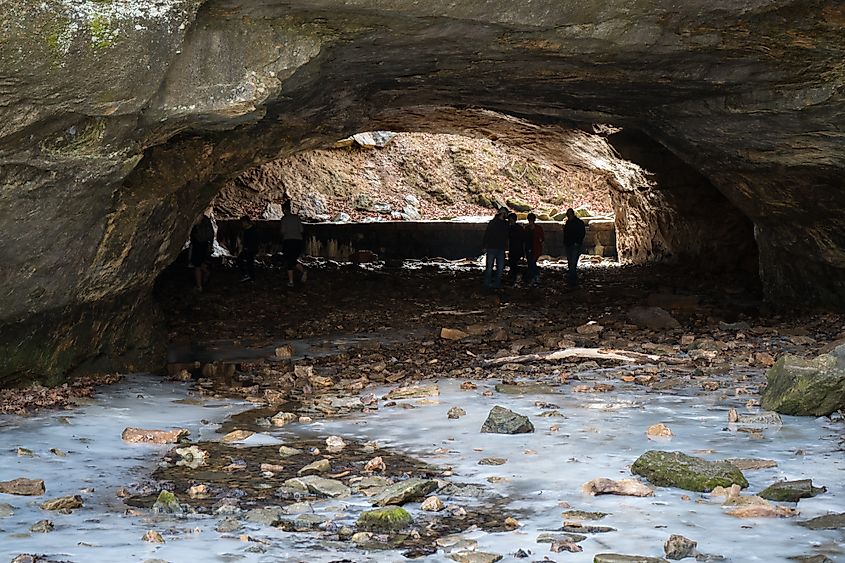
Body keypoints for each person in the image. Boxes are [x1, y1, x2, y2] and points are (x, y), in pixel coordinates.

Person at [280, 200, 307, 288]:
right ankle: (302, 272)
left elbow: (283, 231)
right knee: (292, 260)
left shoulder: (284, 219)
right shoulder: (297, 218)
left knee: (289, 261)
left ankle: (292, 280)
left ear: (284, 210)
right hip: (298, 241)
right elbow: (302, 230)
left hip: (288, 241)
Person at [481, 207, 509, 289]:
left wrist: (484, 245)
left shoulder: (492, 223)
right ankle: (496, 284)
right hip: (499, 248)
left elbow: (487, 235)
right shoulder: (505, 224)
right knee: (499, 268)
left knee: (490, 267)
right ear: (503, 214)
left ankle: (487, 284)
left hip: (492, 248)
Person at [189, 209, 215, 291]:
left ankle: (199, 286)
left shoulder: (196, 220)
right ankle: (207, 272)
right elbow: (211, 233)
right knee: (201, 262)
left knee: (196, 265)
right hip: (205, 244)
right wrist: (210, 244)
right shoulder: (207, 220)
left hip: (197, 244)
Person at [563, 208, 586, 286]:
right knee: (570, 262)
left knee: (573, 262)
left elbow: (582, 233)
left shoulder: (578, 223)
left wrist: (578, 242)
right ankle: (573, 277)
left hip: (575, 245)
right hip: (569, 244)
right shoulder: (569, 223)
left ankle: (572, 278)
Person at [524, 212, 545, 285]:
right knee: (531, 263)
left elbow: (542, 239)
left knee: (532, 263)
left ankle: (534, 276)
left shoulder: (538, 229)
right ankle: (535, 277)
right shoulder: (527, 229)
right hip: (529, 249)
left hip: (536, 249)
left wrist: (540, 240)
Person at [506, 212, 526, 285]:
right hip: (517, 249)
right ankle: (515, 276)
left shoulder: (511, 229)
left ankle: (515, 276)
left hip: (515, 249)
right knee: (513, 263)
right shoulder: (519, 228)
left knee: (513, 263)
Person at [238, 215, 259, 282]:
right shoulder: (247, 230)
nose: (242, 224)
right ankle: (250, 276)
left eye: (242, 223)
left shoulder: (252, 230)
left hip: (250, 249)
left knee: (248, 262)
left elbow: (254, 240)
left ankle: (249, 276)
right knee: (248, 262)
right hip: (248, 248)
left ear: (246, 222)